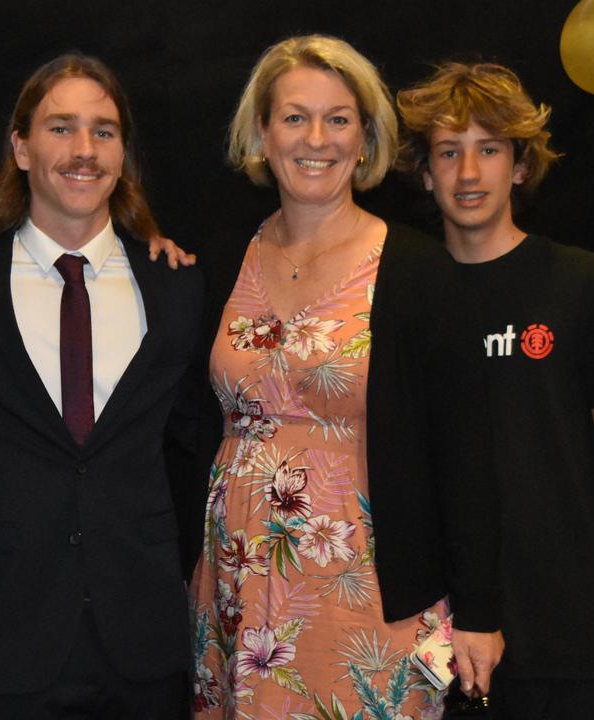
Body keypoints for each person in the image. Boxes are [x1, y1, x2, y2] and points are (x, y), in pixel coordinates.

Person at [188, 35, 503, 718]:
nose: (316, 139)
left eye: (338, 119)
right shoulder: (223, 256)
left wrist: (479, 611)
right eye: (295, 117)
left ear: (364, 140)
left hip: (369, 597)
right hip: (235, 587)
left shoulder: (418, 271)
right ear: (263, 135)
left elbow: (468, 455)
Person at [0, 54, 203, 718]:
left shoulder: (178, 285)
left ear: (124, 153)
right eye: (60, 128)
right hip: (5, 642)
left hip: (145, 643)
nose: (83, 150)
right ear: (20, 147)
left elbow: (198, 445)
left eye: (104, 131)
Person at [396, 62, 594, 719]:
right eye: (449, 153)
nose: (468, 173)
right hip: (445, 633)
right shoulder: (400, 297)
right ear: (425, 173)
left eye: (489, 151)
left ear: (520, 166)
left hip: (575, 623)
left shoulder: (581, 283)